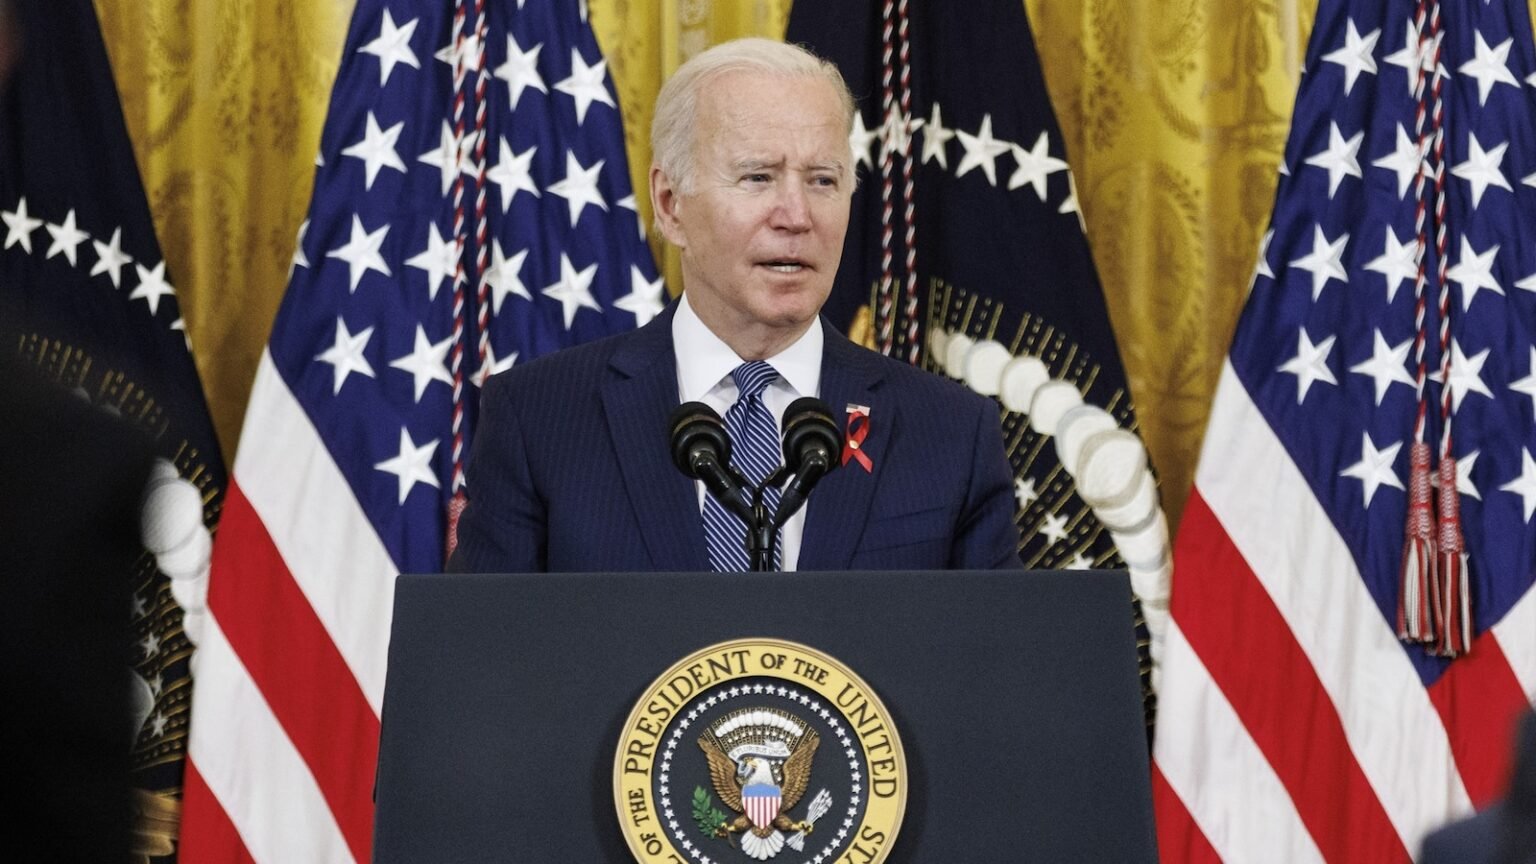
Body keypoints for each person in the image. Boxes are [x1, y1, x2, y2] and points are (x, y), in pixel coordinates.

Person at [448, 38, 1020, 574]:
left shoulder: (951, 433)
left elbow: (996, 670)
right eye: (757, 177)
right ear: (671, 205)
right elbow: (479, 663)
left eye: (823, 180)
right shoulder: (538, 420)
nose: (796, 215)